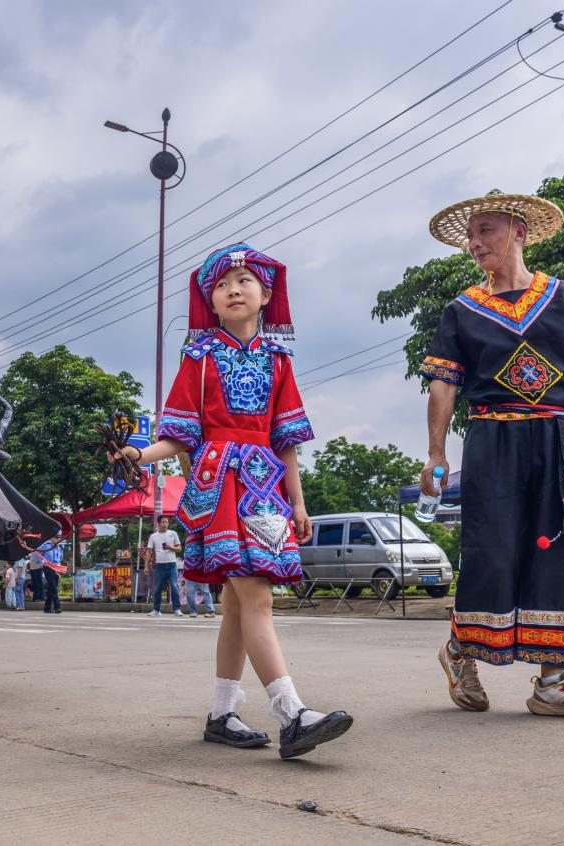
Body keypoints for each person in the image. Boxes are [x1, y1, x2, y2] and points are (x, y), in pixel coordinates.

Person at [115, 242, 352, 759]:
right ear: (211, 303)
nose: (233, 290)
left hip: (265, 488)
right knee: (256, 597)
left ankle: (222, 713)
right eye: (221, 285)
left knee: (236, 605)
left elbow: (286, 440)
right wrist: (139, 453)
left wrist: (299, 504)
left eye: (244, 281)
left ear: (265, 294)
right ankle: (292, 713)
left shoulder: (279, 360)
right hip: (218, 484)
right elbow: (178, 434)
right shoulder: (198, 358)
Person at [420, 191, 564, 719]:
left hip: (557, 437)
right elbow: (443, 385)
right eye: (470, 235)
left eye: (485, 230)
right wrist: (437, 452)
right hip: (491, 436)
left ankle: (553, 681)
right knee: (490, 550)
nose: (474, 243)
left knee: (556, 547)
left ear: (519, 232)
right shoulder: (461, 311)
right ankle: (461, 651)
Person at [146, 516, 183, 617]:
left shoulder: (173, 533)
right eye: (163, 522)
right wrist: (145, 566)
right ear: (158, 523)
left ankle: (177, 609)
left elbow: (179, 548)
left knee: (174, 586)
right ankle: (156, 610)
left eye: (166, 522)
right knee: (158, 588)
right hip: (160, 565)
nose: (165, 524)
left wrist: (171, 548)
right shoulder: (153, 536)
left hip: (172, 565)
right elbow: (148, 551)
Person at [35, 539, 64, 614]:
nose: (58, 539)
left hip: (56, 568)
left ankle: (47, 607)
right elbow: (37, 552)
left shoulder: (60, 547)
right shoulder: (46, 545)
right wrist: (40, 561)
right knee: (53, 587)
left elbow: (60, 558)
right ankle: (57, 607)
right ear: (52, 538)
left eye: (59, 538)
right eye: (56, 537)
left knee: (52, 588)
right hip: (48, 567)